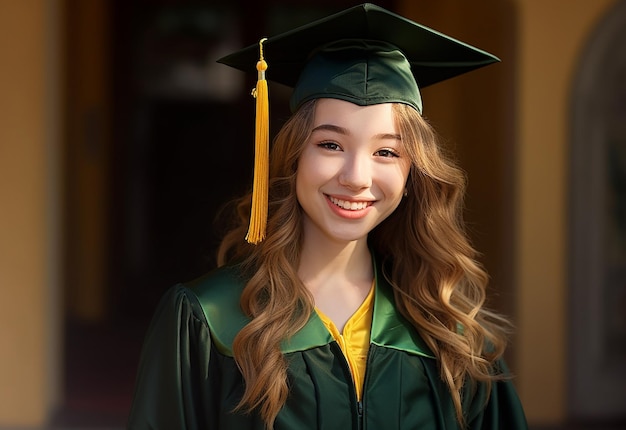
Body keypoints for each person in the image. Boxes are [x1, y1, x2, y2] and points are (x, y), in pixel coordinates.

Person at [127, 3, 528, 429]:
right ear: (294, 155)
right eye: (330, 145)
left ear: (413, 173)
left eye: (386, 152)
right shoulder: (209, 319)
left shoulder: (451, 331)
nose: (357, 177)